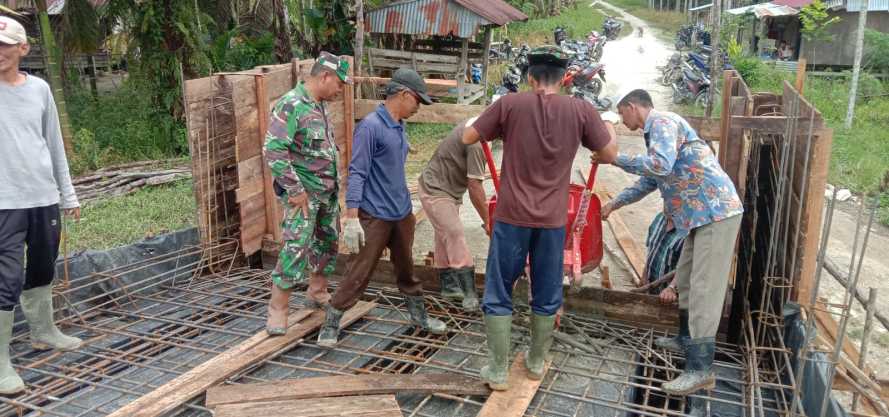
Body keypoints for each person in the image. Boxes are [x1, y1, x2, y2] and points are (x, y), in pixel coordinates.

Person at [462, 46, 619, 391]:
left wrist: (500, 124)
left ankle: (499, 371)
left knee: (499, 289)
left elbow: (468, 136)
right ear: (564, 78)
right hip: (551, 221)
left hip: (511, 217)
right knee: (547, 291)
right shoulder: (581, 109)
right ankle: (535, 362)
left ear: (530, 77)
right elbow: (608, 154)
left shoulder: (510, 104)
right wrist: (608, 126)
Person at [608, 89, 743, 398]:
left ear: (632, 107)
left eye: (621, 113)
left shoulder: (663, 122)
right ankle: (685, 338)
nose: (621, 120)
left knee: (704, 289)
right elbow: (649, 180)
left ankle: (700, 370)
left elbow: (659, 166)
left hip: (715, 213)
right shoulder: (656, 134)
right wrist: (613, 204)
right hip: (699, 216)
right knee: (686, 276)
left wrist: (615, 158)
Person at [318, 68, 446, 346]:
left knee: (407, 269)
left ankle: (419, 316)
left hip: (401, 212)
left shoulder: (398, 124)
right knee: (359, 270)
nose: (419, 108)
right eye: (417, 102)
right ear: (403, 95)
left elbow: (388, 154)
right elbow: (358, 172)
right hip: (375, 215)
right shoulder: (370, 127)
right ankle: (332, 319)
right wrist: (352, 217)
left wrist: (402, 146)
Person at [0, 16, 83, 395]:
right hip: (5, 202)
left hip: (43, 196)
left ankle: (44, 331)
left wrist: (68, 195)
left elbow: (53, 145)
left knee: (43, 264)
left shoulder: (40, 90)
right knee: (7, 277)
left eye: (6, 45)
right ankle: (1, 362)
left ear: (22, 49)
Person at [263, 51, 351, 336]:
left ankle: (317, 291)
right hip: (304, 197)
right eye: (339, 83)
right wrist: (295, 190)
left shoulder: (319, 104)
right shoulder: (291, 105)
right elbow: (274, 150)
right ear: (324, 76)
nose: (340, 89)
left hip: (326, 193)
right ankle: (278, 309)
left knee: (327, 243)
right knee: (295, 248)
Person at [417, 117, 489, 312]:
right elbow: (475, 186)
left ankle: (449, 286)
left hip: (449, 189)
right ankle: (469, 293)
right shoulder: (476, 141)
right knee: (454, 232)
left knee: (444, 235)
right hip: (435, 188)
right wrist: (489, 222)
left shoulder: (479, 126)